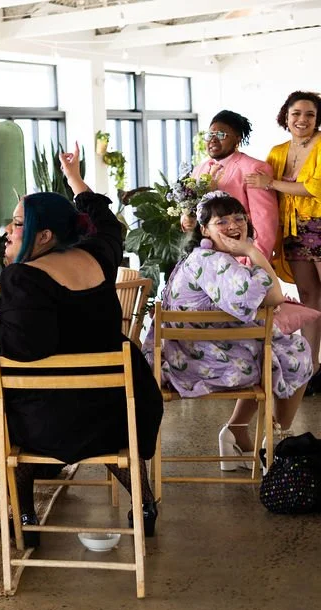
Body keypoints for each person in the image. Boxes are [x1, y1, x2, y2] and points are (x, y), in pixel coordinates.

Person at [0, 144, 164, 544]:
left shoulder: (25, 278)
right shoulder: (97, 257)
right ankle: (143, 504)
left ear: (46, 234)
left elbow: (22, 344)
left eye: (18, 224)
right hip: (115, 409)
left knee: (7, 408)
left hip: (52, 420)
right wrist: (74, 179)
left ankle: (26, 515)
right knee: (95, 429)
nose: (7, 231)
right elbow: (107, 224)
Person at [146, 191, 313, 471]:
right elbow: (273, 297)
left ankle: (238, 431)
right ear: (204, 230)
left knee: (276, 347)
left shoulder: (204, 257)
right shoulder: (214, 261)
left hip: (184, 353)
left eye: (239, 218)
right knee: (295, 352)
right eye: (221, 221)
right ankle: (278, 439)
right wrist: (251, 250)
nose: (233, 225)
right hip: (194, 364)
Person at [246, 91, 321, 396]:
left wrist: (272, 183)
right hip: (291, 232)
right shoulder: (277, 151)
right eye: (296, 114)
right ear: (286, 117)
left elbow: (315, 187)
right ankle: (312, 368)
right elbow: (261, 192)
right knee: (308, 296)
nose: (302, 120)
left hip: (319, 225)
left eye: (309, 114)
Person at [179, 110, 279, 261]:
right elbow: (194, 208)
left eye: (221, 135)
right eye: (210, 135)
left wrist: (254, 262)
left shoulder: (253, 168)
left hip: (239, 259)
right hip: (205, 259)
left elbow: (265, 223)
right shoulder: (199, 169)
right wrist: (186, 219)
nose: (213, 140)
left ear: (237, 139)